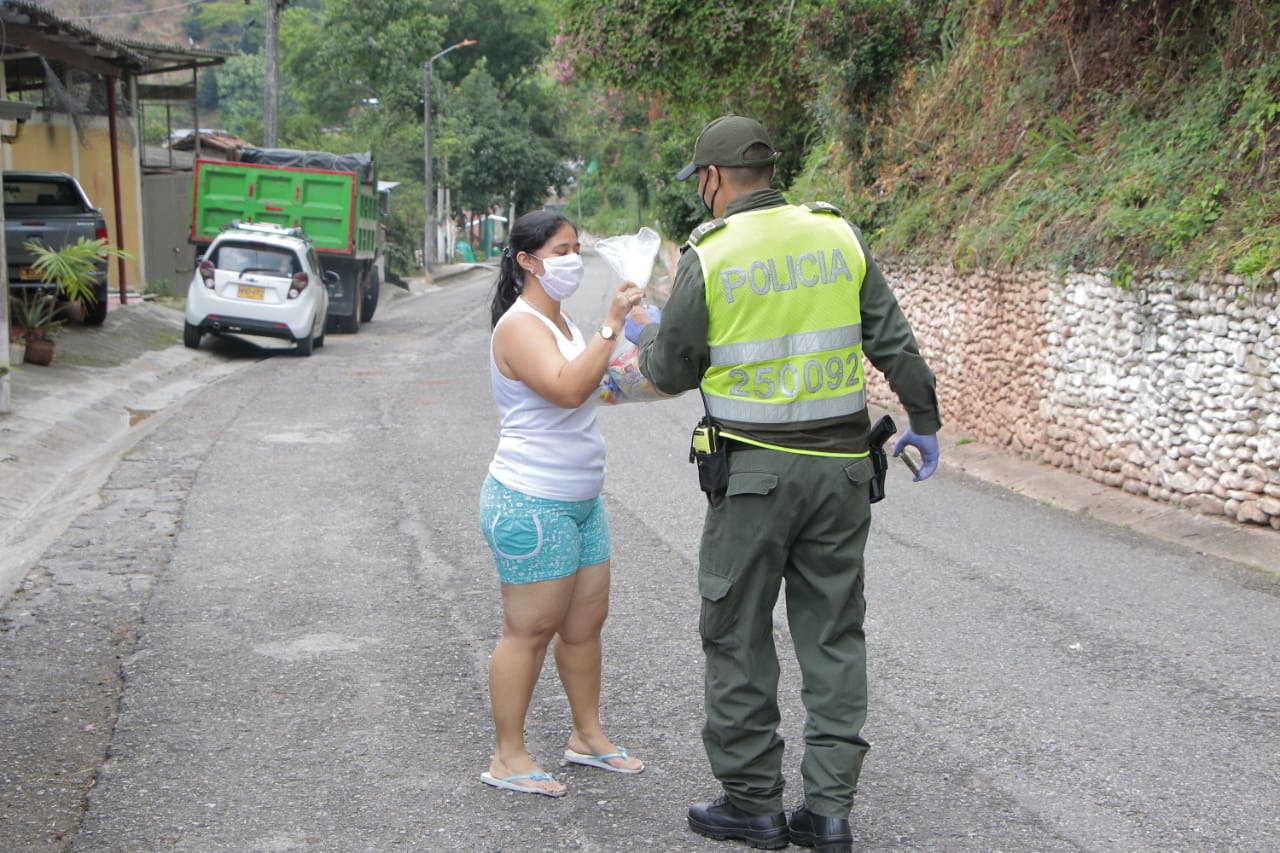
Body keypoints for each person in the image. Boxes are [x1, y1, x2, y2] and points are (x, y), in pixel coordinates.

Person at [631, 116, 942, 850]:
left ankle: (754, 804)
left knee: (738, 633)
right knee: (834, 635)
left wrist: (646, 337)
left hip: (753, 478)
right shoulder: (838, 235)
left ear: (712, 178)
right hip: (843, 474)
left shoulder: (712, 253)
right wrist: (924, 420)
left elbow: (670, 370)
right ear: (770, 171)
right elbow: (894, 342)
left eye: (700, 182)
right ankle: (829, 812)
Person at [478, 210, 647, 798]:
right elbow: (568, 388)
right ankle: (508, 756)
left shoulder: (565, 321)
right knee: (530, 629)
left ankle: (587, 736)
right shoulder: (519, 327)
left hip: (582, 501)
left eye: (577, 248)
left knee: (582, 627)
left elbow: (598, 384)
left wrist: (643, 349)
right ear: (527, 261)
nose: (573, 260)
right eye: (561, 251)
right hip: (531, 502)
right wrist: (612, 323)